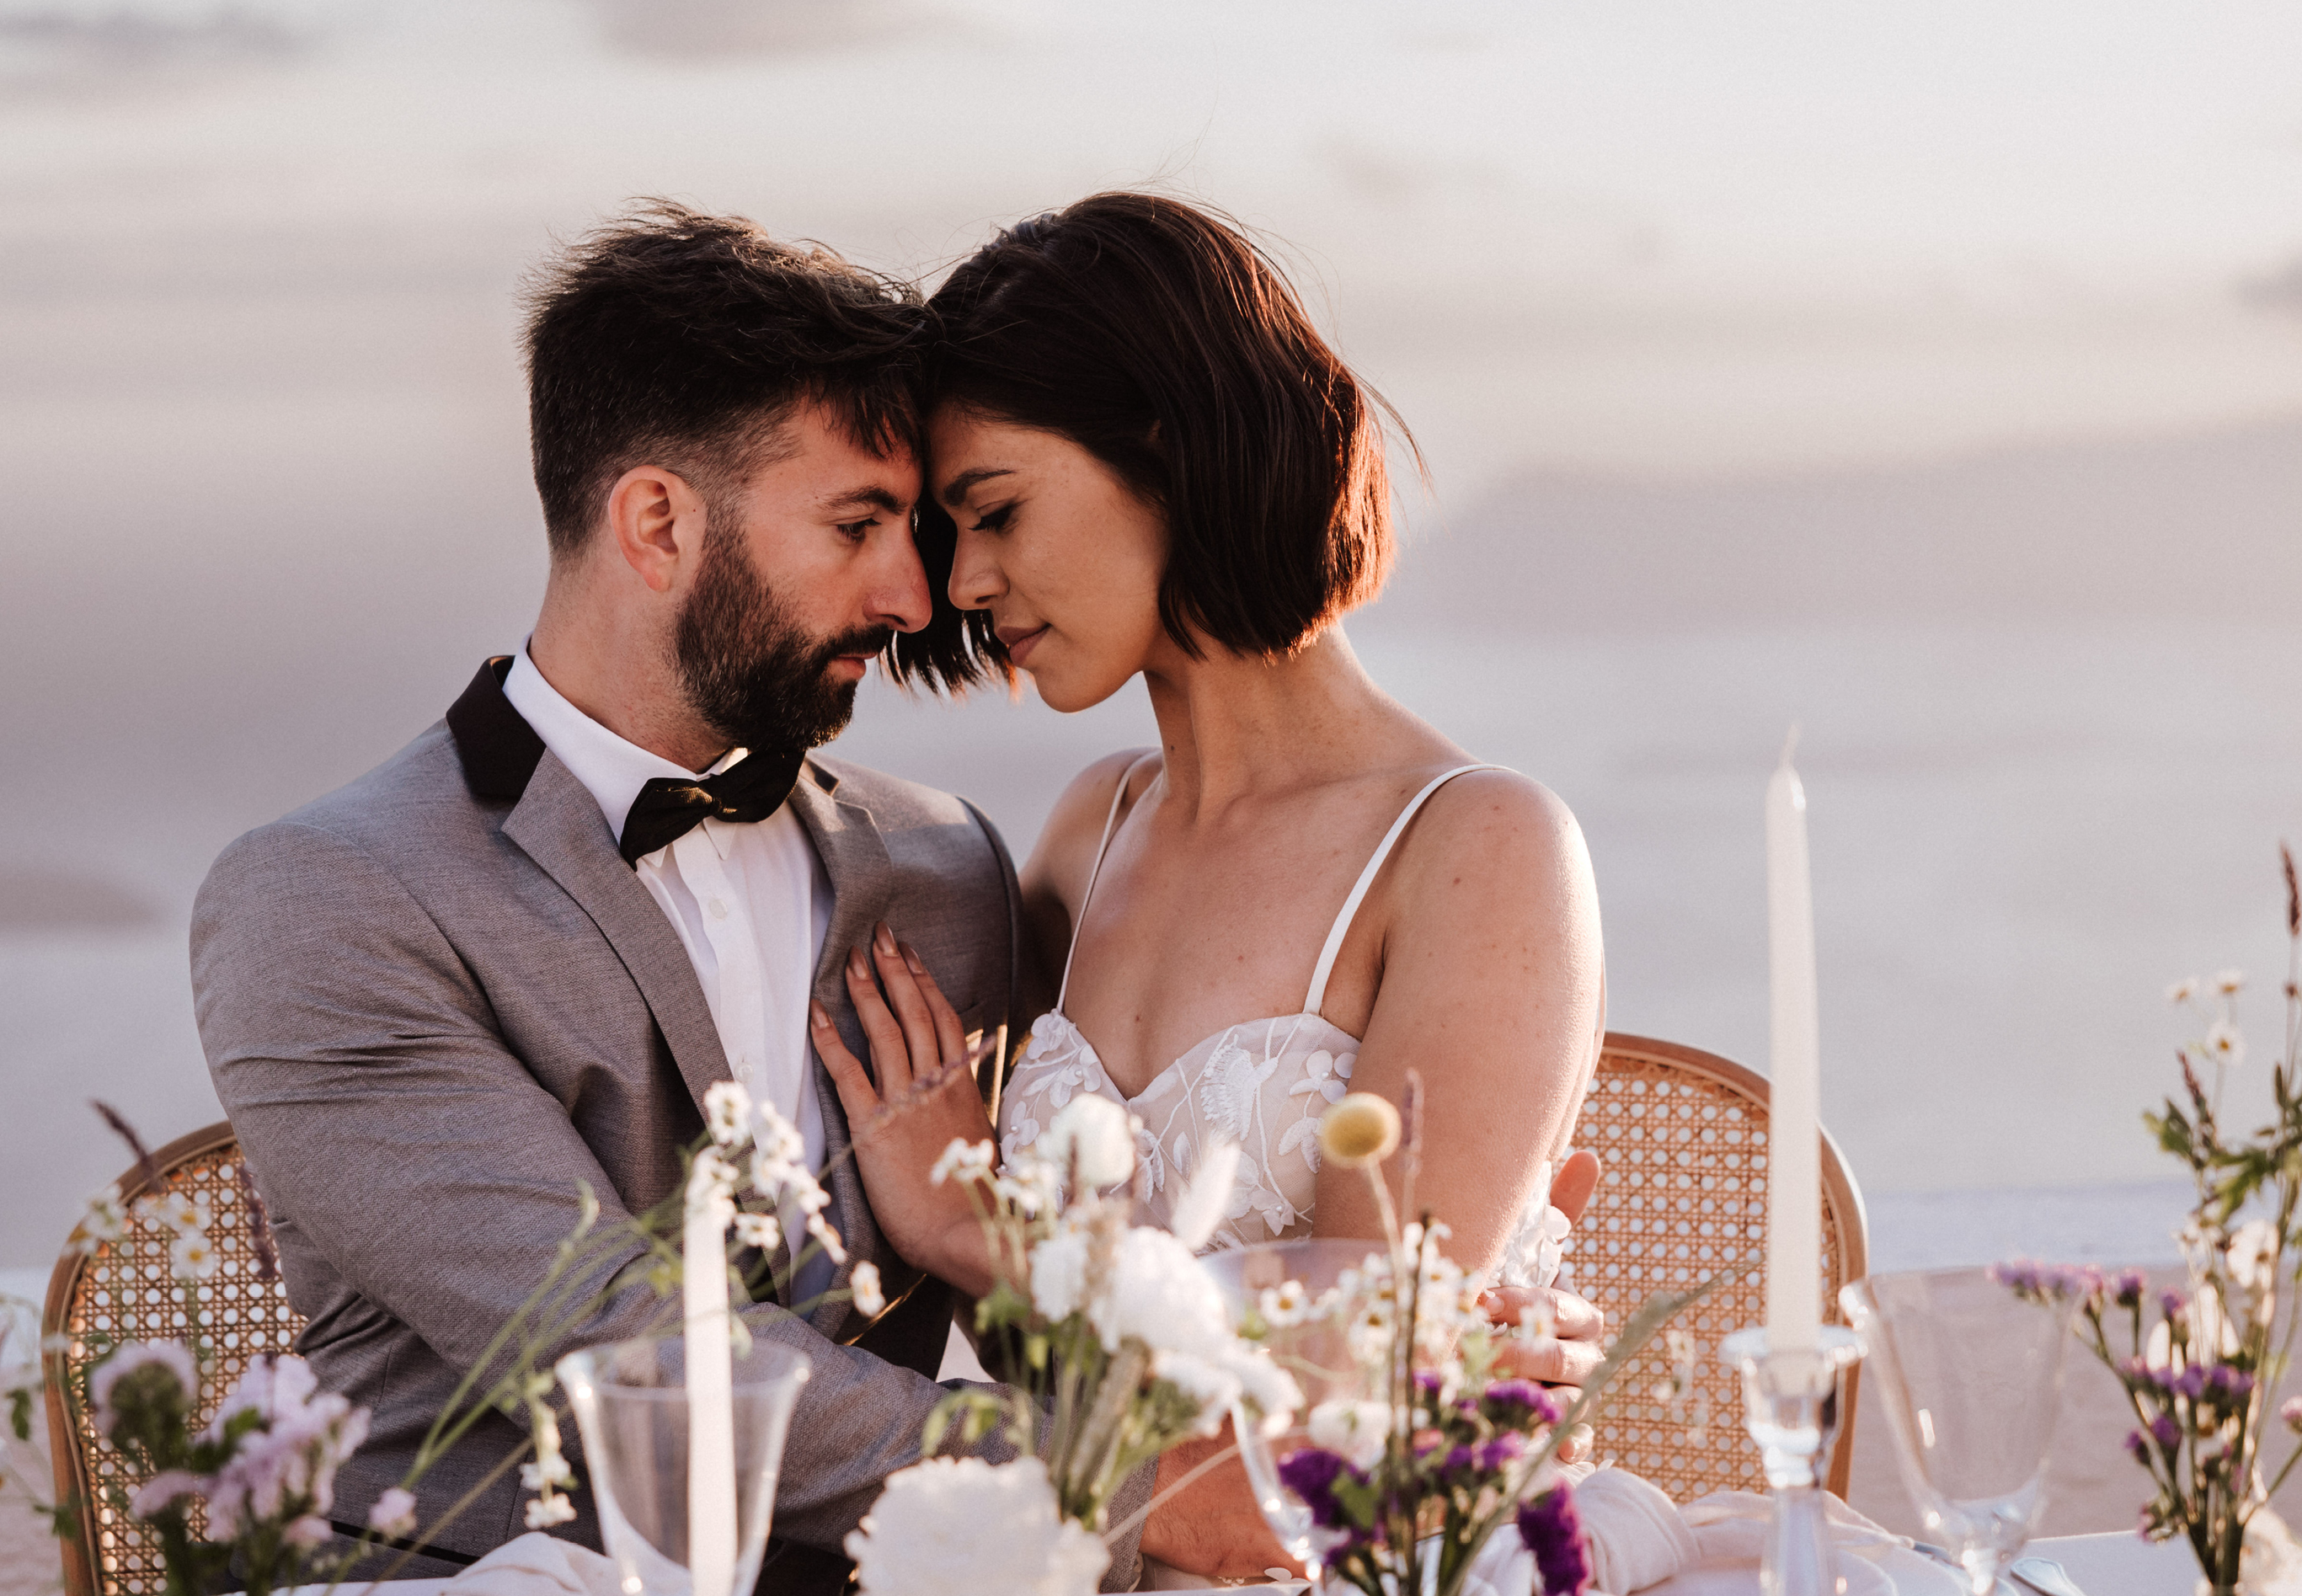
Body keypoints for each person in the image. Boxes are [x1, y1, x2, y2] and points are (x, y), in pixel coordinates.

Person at [192, 200, 1600, 1596]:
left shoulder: (945, 869)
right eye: (876, 522)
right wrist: (1129, 1486)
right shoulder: (330, 900)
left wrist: (1453, 1353)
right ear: (657, 522)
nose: (935, 594)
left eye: (968, 518)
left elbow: (1345, 1328)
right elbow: (615, 1341)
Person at [809, 194, 1609, 1584]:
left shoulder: (1480, 845)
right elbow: (1045, 1361)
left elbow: (1379, 1342)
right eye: (953, 537)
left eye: (994, 512)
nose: (970, 581)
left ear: (1164, 446)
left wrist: (966, 1230)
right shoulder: (1085, 831)